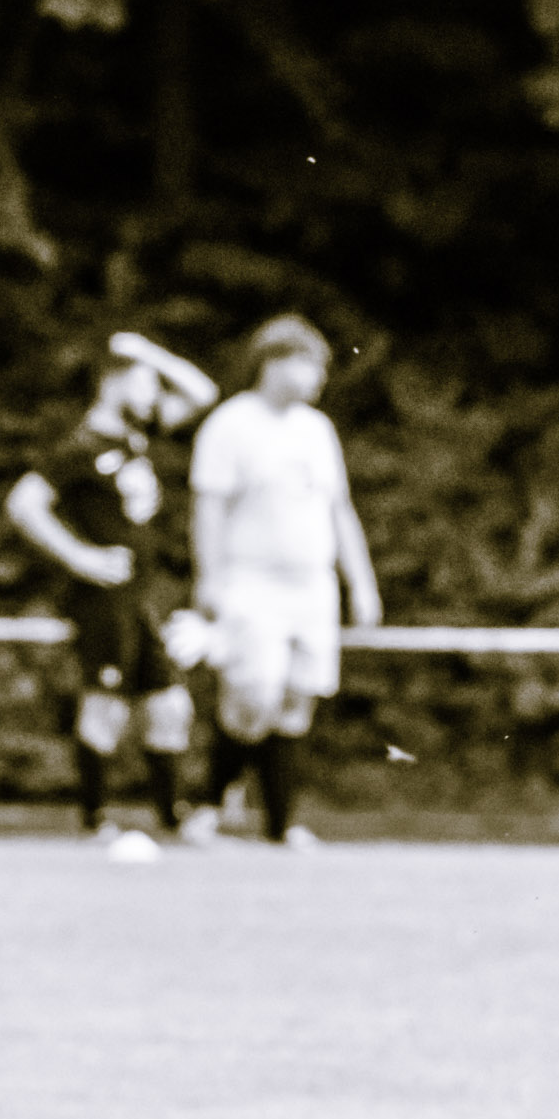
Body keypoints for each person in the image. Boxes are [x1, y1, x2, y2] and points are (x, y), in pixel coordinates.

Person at [5, 330, 218, 850]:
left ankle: (171, 818)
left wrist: (151, 354)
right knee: (106, 706)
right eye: (144, 382)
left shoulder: (135, 437)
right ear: (112, 382)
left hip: (141, 596)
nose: (153, 394)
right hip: (103, 600)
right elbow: (23, 503)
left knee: (169, 706)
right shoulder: (80, 446)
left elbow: (203, 393)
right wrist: (79, 556)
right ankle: (93, 820)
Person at [185, 313, 379, 848]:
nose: (320, 378)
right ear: (273, 362)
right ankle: (208, 805)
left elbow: (339, 510)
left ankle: (279, 824)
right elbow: (209, 508)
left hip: (312, 585)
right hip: (251, 581)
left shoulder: (317, 429)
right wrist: (210, 577)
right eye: (311, 365)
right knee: (254, 695)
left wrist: (361, 582)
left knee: (296, 700)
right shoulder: (231, 424)